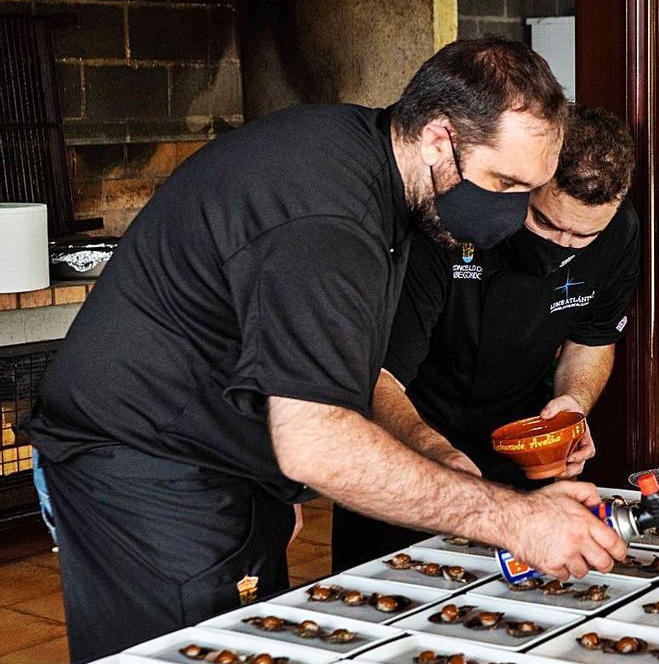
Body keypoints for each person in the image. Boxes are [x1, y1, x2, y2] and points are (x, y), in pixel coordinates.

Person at [20, 38, 625, 662]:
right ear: (441, 139)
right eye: (504, 183)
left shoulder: (372, 166)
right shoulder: (330, 219)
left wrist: (413, 457)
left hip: (224, 460)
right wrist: (517, 520)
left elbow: (327, 374)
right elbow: (317, 442)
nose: (511, 213)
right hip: (148, 469)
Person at [330, 104, 640, 571]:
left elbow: (591, 337)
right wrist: (433, 452)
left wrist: (573, 406)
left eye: (582, 237)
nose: (562, 246)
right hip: (409, 446)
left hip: (518, 457)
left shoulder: (620, 232)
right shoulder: (446, 227)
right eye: (546, 222)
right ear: (520, 185)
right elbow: (379, 376)